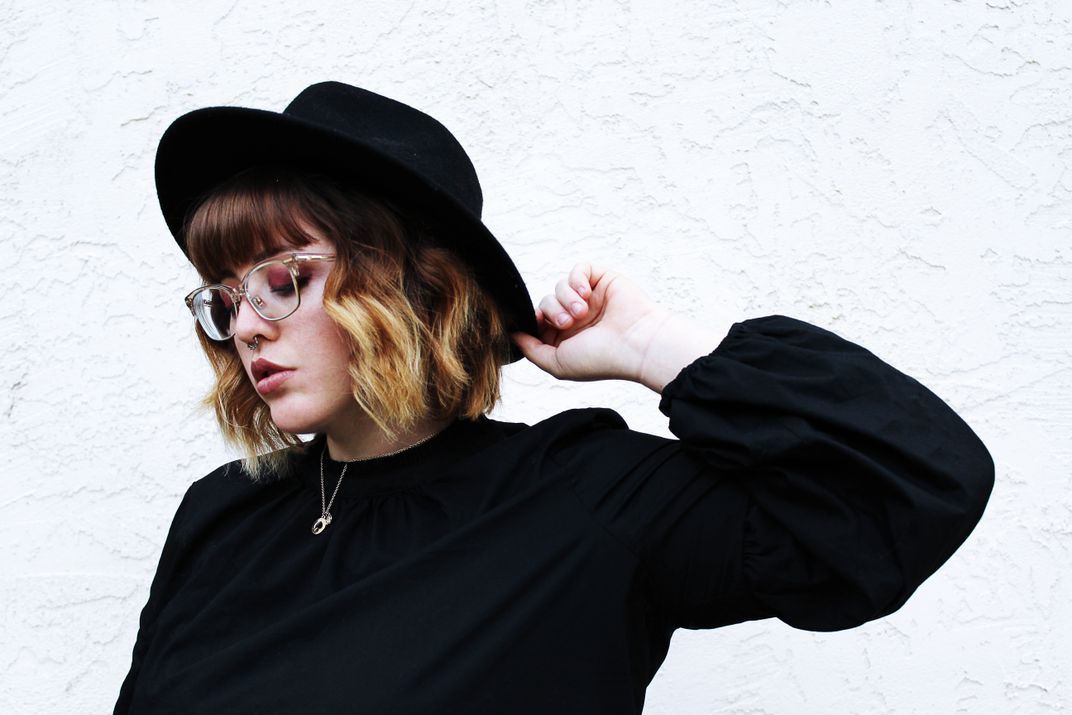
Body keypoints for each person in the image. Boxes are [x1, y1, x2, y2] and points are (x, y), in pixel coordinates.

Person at [114, 82, 995, 714]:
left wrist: (656, 350)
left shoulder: (580, 496)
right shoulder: (222, 517)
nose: (246, 326)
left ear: (411, 286)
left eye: (281, 280)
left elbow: (914, 487)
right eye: (226, 296)